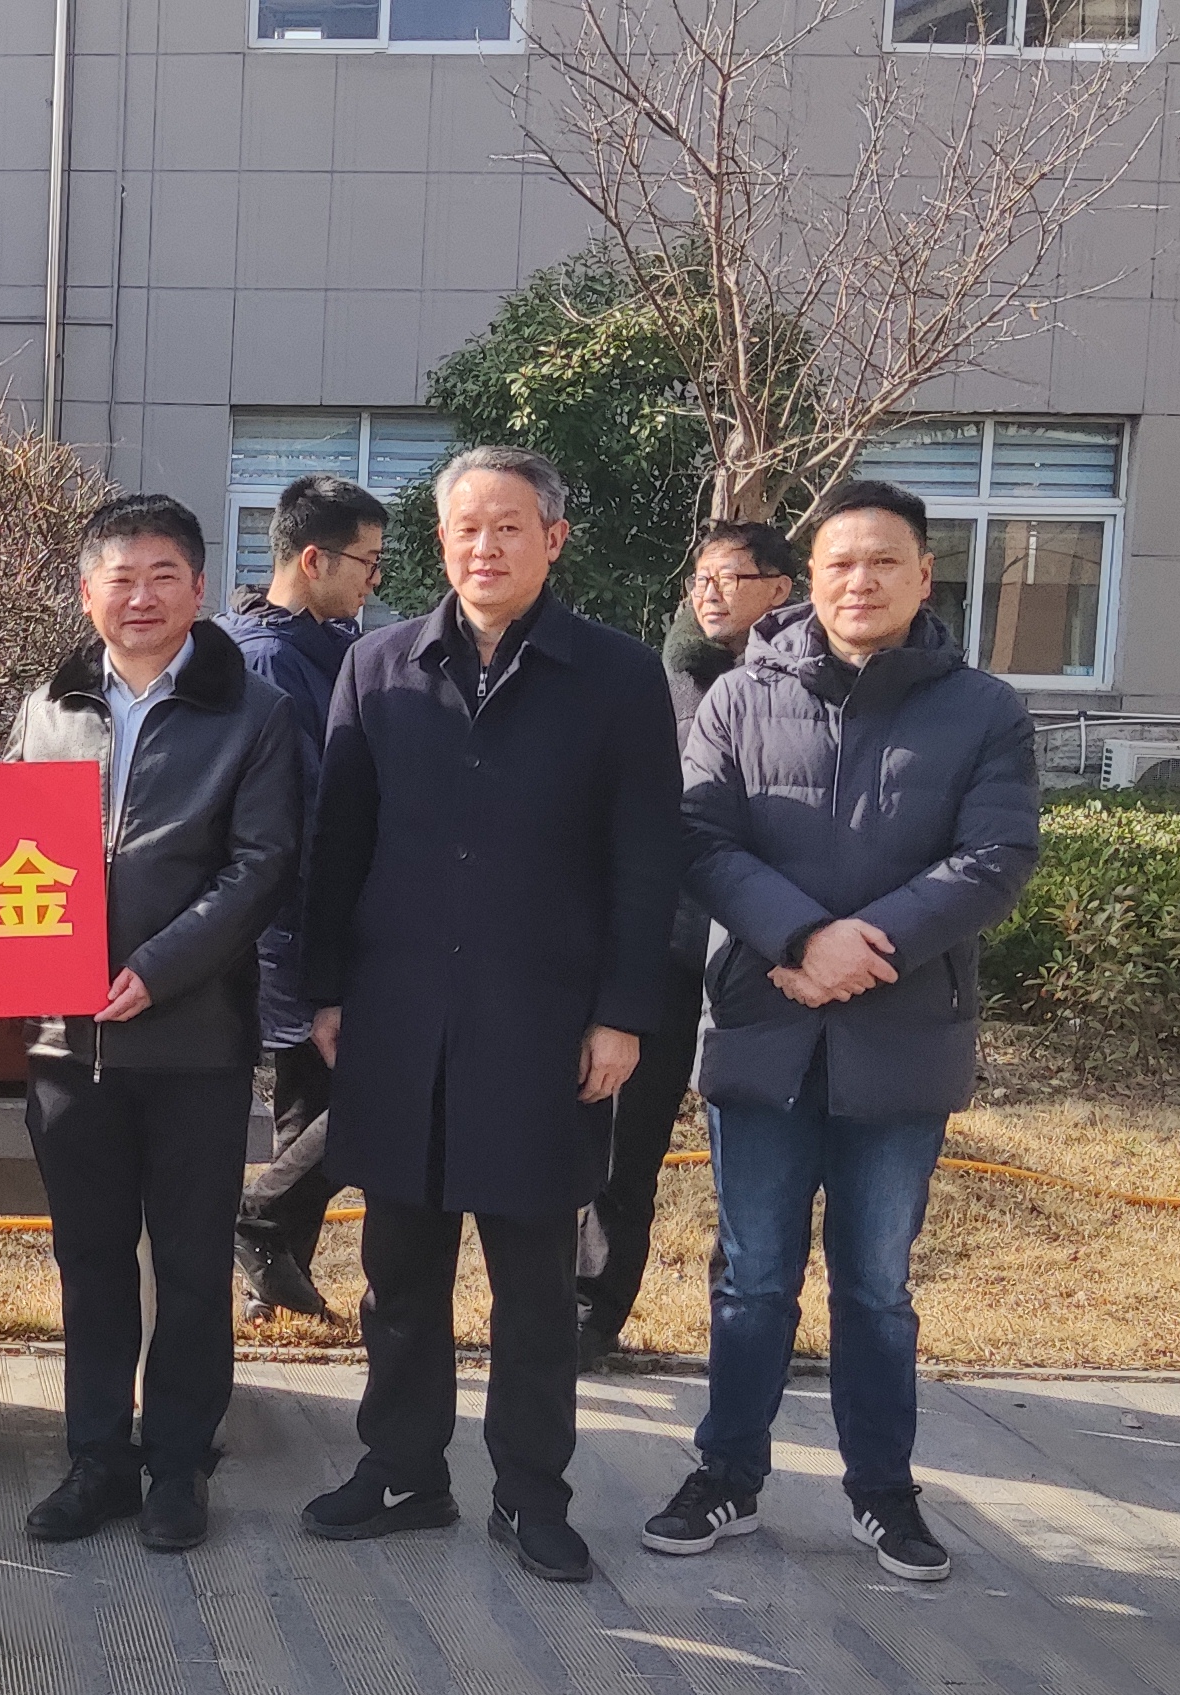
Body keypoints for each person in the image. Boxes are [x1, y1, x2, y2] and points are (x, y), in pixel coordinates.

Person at [294, 446, 679, 1584]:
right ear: (440, 541)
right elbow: (337, 843)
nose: (486, 547)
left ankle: (531, 1493)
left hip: (542, 1021)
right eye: (466, 527)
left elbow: (647, 858)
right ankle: (403, 1469)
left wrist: (622, 1013)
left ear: (553, 540)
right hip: (400, 1015)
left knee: (534, 1287)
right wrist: (325, 991)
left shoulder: (614, 677)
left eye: (510, 527)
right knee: (399, 1271)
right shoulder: (378, 668)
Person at [647, 481, 1036, 1582]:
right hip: (763, 1023)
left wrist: (866, 948)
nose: (859, 582)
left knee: (875, 1285)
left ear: (924, 576)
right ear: (806, 581)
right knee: (752, 1278)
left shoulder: (982, 709)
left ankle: (883, 1492)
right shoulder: (739, 697)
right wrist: (799, 938)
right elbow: (697, 837)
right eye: (839, 564)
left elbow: (996, 857)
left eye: (882, 562)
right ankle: (726, 1475)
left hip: (902, 1030)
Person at [6, 494, 304, 1555]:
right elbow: (2, 848)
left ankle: (177, 1464)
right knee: (88, 1265)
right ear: (87, 591)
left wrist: (158, 968)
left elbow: (261, 865)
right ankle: (96, 1459)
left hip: (192, 1042)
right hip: (65, 1045)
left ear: (198, 587)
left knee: (188, 1266)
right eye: (119, 578)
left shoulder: (254, 713)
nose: (140, 597)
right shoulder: (48, 705)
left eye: (162, 576)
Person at [578, 521, 801, 1366]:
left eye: (730, 577)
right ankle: (589, 1310)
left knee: (756, 1158)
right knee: (622, 1140)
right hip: (667, 946)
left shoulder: (807, 685)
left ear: (780, 589)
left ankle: (746, 1324)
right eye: (700, 577)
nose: (709, 592)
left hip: (764, 953)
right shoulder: (659, 679)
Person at [228, 474, 385, 1324]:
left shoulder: (322, 646)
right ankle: (257, 1220)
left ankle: (273, 1277)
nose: (374, 581)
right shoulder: (268, 660)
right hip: (292, 921)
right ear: (314, 559)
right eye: (367, 562)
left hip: (317, 916)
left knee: (311, 1099)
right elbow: (308, 811)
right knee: (363, 1089)